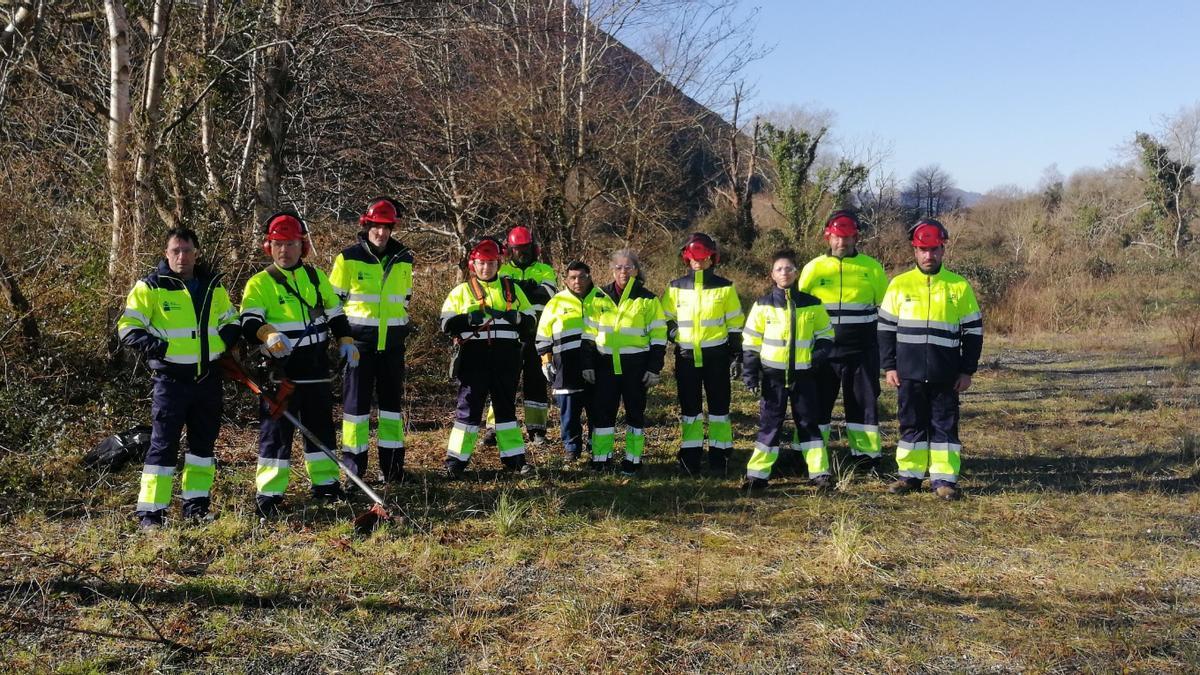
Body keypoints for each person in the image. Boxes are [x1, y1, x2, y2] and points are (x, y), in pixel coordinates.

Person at [118, 227, 241, 528]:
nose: (181, 256)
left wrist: (224, 342)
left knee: (203, 447)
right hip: (170, 381)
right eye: (175, 251)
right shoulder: (151, 287)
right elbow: (127, 327)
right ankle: (151, 514)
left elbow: (232, 319)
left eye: (187, 250)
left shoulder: (213, 286)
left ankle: (196, 508)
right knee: (163, 446)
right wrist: (161, 348)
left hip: (207, 379)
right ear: (166, 253)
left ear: (197, 253)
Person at [239, 212, 359, 517]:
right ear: (269, 247)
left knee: (320, 425)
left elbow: (335, 314)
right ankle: (270, 494)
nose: (284, 250)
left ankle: (326, 485)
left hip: (316, 364)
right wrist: (266, 333)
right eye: (278, 244)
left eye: (291, 243)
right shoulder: (259, 283)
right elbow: (248, 320)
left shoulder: (317, 278)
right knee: (276, 432)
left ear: (301, 246)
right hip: (281, 369)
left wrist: (345, 340)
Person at [878, 219, 983, 500]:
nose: (929, 255)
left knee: (944, 426)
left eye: (934, 249)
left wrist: (966, 371)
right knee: (910, 423)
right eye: (923, 250)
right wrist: (889, 365)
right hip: (908, 373)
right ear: (914, 250)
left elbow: (973, 332)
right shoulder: (899, 285)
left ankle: (945, 480)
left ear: (943, 250)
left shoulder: (958, 286)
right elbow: (886, 329)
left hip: (945, 374)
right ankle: (909, 476)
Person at [329, 198, 414, 483]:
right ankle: (354, 471)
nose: (381, 233)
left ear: (392, 228)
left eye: (386, 227)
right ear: (367, 226)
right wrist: (342, 339)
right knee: (355, 411)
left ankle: (392, 470)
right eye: (376, 227)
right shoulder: (348, 258)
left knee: (391, 411)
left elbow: (404, 299)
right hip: (357, 346)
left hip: (391, 346)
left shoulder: (404, 258)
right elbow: (332, 304)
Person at [798, 210, 889, 473]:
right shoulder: (813, 268)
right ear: (828, 236)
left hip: (862, 350)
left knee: (863, 404)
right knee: (816, 404)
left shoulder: (872, 268)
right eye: (838, 237)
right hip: (822, 351)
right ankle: (810, 453)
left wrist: (886, 351)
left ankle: (866, 456)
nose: (842, 243)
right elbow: (801, 310)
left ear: (856, 237)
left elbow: (885, 309)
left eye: (848, 237)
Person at [441, 237, 536, 477]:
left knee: (505, 410)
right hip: (474, 358)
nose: (486, 268)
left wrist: (518, 319)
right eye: (482, 263)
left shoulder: (513, 290)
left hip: (506, 358)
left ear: (499, 263)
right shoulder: (461, 291)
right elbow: (445, 323)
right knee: (468, 410)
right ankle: (455, 463)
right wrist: (468, 319)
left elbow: (531, 322)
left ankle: (515, 460)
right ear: (473, 265)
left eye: (491, 263)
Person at [741, 250, 835, 491]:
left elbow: (826, 336)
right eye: (779, 269)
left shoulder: (812, 304)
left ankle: (819, 473)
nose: (785, 272)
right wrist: (750, 373)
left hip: (804, 378)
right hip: (773, 379)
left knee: (808, 423)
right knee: (770, 425)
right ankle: (757, 475)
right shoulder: (762, 305)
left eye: (789, 268)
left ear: (797, 272)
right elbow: (751, 342)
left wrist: (816, 359)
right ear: (772, 274)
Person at [660, 233, 744, 476]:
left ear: (712, 258)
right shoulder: (675, 287)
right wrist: (674, 334)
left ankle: (720, 456)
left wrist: (736, 355)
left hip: (717, 355)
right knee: (690, 408)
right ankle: (690, 456)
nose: (698, 261)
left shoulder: (725, 287)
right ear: (686, 258)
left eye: (703, 256)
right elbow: (665, 317)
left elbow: (735, 323)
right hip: (686, 356)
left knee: (719, 408)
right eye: (693, 257)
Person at [590, 250, 667, 475]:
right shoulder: (598, 296)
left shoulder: (648, 299)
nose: (623, 272)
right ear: (612, 270)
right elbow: (588, 333)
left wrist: (654, 368)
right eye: (619, 268)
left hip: (636, 366)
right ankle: (601, 459)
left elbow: (659, 337)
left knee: (635, 413)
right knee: (603, 414)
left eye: (628, 267)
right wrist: (588, 364)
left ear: (636, 270)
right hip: (605, 365)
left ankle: (633, 460)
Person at [489, 226, 558, 445]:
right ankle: (494, 427)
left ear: (533, 248)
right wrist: (528, 287)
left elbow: (547, 294)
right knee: (502, 382)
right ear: (510, 249)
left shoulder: (545, 270)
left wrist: (517, 288)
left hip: (537, 334)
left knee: (536, 382)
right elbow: (500, 295)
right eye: (518, 249)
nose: (522, 252)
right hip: (509, 336)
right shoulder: (502, 272)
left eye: (526, 248)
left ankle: (537, 429)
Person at [536, 261, 603, 463]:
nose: (577, 281)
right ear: (565, 279)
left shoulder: (601, 298)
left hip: (596, 364)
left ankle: (597, 447)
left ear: (589, 277)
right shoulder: (556, 302)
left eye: (582, 276)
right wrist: (546, 359)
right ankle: (571, 448)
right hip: (566, 366)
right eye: (573, 277)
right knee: (569, 412)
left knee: (597, 409)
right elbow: (543, 335)